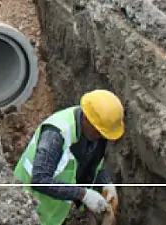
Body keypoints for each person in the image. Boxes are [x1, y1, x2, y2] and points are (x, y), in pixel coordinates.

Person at [15, 90, 124, 225]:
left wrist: (106, 183)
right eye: (99, 132)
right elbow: (39, 180)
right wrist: (83, 194)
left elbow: (89, 164)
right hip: (26, 209)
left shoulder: (94, 131)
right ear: (85, 118)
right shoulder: (56, 135)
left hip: (52, 214)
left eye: (105, 134)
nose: (101, 137)